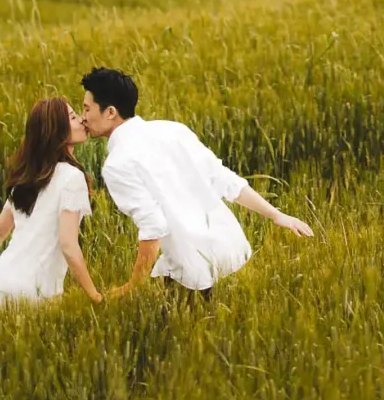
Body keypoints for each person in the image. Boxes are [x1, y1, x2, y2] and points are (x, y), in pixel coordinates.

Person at [80, 67, 313, 296]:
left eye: (87, 108)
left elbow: (154, 226)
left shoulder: (117, 164)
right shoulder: (173, 130)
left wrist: (133, 286)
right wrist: (276, 214)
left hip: (192, 274)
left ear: (110, 112)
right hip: (231, 254)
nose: (83, 117)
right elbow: (224, 180)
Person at [0, 97, 102, 309]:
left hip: (1, 281)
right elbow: (69, 246)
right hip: (36, 290)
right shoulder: (72, 178)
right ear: (57, 131)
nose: (81, 120)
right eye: (72, 117)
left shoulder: (30, 175)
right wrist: (95, 296)